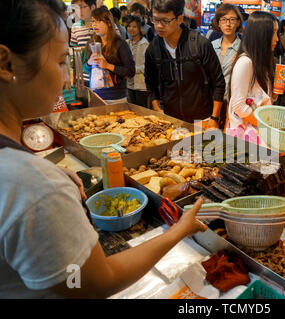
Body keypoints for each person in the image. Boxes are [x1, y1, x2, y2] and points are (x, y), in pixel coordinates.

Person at [0, 0, 207, 299]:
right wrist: (179, 230)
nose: (67, 78)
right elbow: (91, 284)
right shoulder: (35, 186)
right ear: (6, 64)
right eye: (60, 62)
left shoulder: (29, 178)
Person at [144, 0, 226, 128]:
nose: (159, 26)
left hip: (202, 118)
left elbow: (219, 82)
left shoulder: (199, 44)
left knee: (201, 148)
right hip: (170, 120)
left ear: (179, 19)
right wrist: (157, 109)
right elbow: (150, 83)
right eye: (155, 20)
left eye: (165, 21)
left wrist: (214, 118)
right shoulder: (153, 49)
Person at [226, 11, 285, 145]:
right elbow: (238, 106)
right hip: (245, 136)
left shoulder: (262, 61)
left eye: (277, 32)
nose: (277, 39)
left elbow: (262, 98)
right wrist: (267, 126)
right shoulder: (245, 62)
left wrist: (276, 91)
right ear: (260, 35)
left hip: (256, 134)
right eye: (273, 33)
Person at [85, 6, 135, 103]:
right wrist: (89, 63)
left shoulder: (120, 44)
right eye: (93, 21)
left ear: (108, 23)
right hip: (96, 95)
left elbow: (130, 71)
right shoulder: (92, 43)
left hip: (116, 97)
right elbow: (86, 69)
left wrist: (108, 66)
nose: (94, 24)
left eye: (99, 21)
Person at [210, 4, 244, 128]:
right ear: (218, 23)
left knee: (226, 142)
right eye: (223, 20)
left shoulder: (243, 48)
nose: (228, 24)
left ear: (238, 23)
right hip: (210, 100)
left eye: (232, 19)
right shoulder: (211, 46)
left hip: (232, 103)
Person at [126, 15, 150, 107]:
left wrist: (132, 70)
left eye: (134, 26)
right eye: (129, 26)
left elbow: (147, 67)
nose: (131, 29)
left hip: (142, 86)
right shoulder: (127, 43)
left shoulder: (145, 44)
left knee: (143, 111)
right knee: (132, 110)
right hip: (129, 84)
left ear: (140, 28)